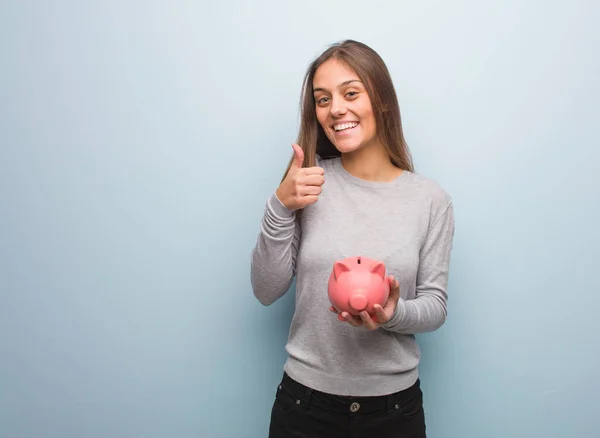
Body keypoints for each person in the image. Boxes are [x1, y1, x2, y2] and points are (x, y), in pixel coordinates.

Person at [250, 39, 455, 438]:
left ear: (380, 98)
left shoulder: (430, 200)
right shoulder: (307, 184)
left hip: (394, 411)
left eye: (350, 93)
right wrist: (280, 204)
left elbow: (435, 306)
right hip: (303, 406)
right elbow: (265, 290)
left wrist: (392, 315)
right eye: (322, 99)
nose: (335, 109)